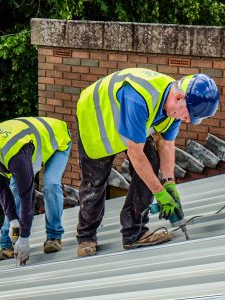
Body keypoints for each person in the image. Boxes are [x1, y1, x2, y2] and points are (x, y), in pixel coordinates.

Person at [75, 68, 219, 257]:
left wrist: (169, 184)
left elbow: (166, 144)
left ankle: (134, 232)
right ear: (178, 98)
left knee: (151, 160)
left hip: (131, 123)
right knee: (95, 181)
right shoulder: (140, 98)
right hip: (97, 118)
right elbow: (135, 154)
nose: (186, 120)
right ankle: (86, 236)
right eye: (187, 115)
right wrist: (159, 194)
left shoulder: (174, 104)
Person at [0, 117, 71, 265]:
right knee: (14, 191)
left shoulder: (15, 156)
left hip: (56, 142)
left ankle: (54, 236)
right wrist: (13, 222)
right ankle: (6, 245)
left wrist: (24, 238)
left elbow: (27, 197)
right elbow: (3, 192)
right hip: (28, 151)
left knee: (50, 185)